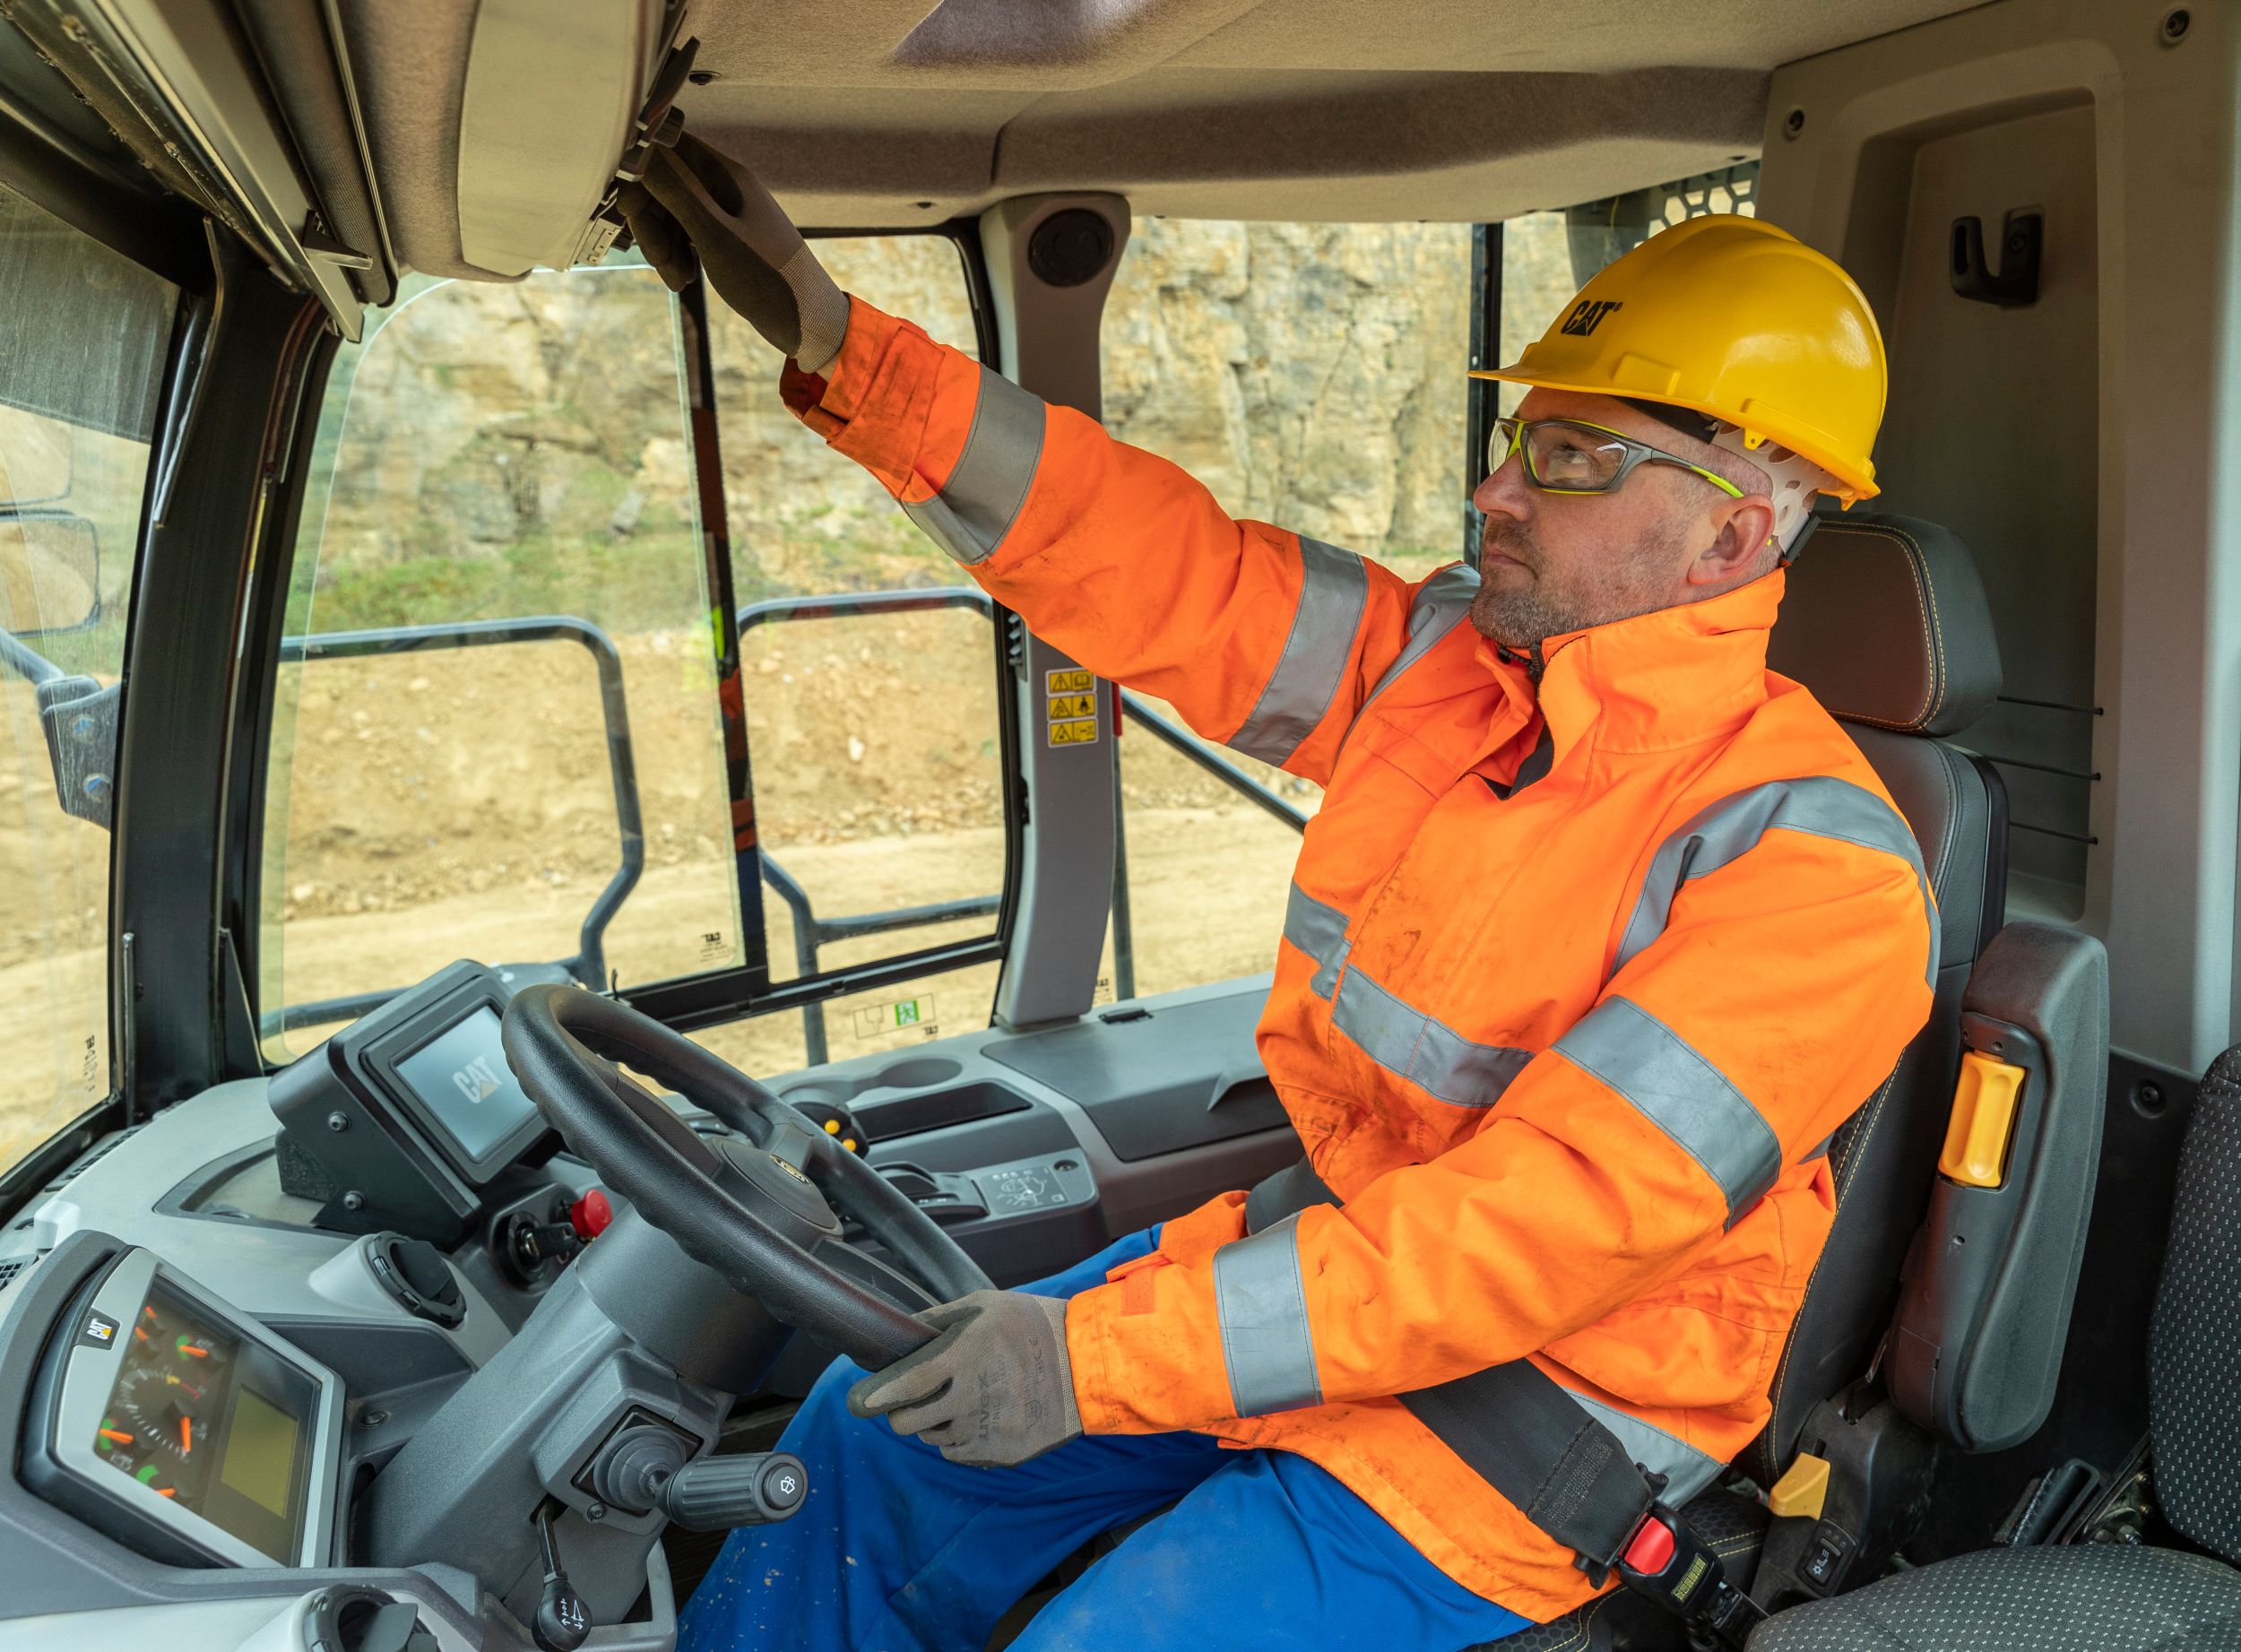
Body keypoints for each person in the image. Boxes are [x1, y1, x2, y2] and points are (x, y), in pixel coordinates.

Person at [622, 134, 1935, 1652]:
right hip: (1331, 1272)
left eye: (1570, 459)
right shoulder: (1453, 672)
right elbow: (1165, 569)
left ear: (1732, 528)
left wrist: (1092, 1363)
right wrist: (849, 351)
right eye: (1522, 442)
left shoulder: (1818, 873)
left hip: (1534, 1420)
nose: (1493, 490)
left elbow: (1528, 1237)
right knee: (869, 1431)